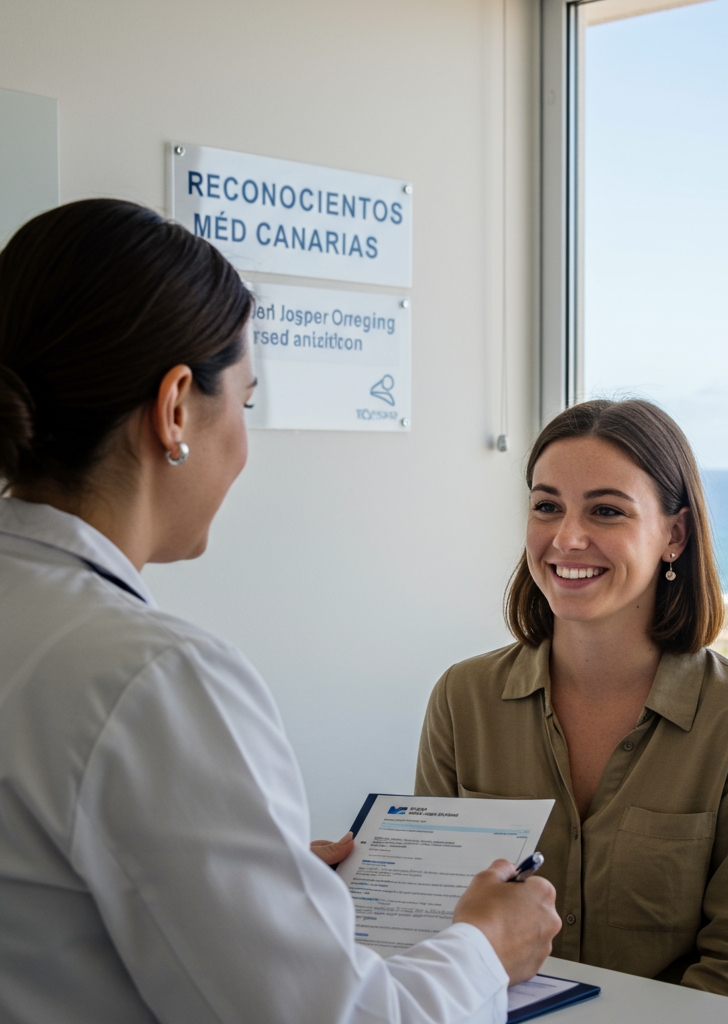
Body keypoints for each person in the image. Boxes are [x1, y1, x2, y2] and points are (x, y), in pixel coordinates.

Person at [0, 199, 560, 1024]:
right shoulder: (153, 678)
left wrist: (261, 884)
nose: (245, 447)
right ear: (176, 408)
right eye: (247, 404)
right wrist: (484, 946)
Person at [416, 399, 728, 1005]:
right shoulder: (462, 700)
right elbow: (432, 921)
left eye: (606, 510)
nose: (567, 538)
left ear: (673, 535)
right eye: (547, 507)